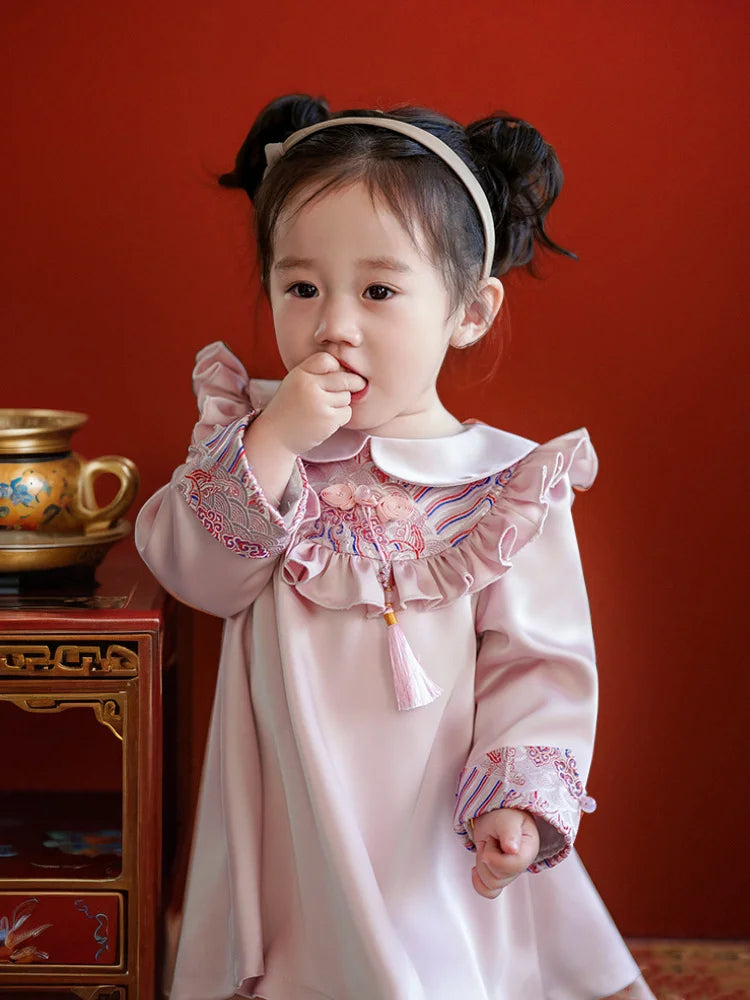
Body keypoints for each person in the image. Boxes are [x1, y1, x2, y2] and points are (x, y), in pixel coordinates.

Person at [136, 94, 655, 1000]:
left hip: (435, 807)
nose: (335, 323)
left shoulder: (503, 486)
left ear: (470, 309)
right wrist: (274, 444)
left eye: (378, 290)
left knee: (435, 963)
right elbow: (199, 577)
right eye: (302, 288)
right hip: (289, 811)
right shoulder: (251, 441)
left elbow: (540, 663)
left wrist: (518, 801)